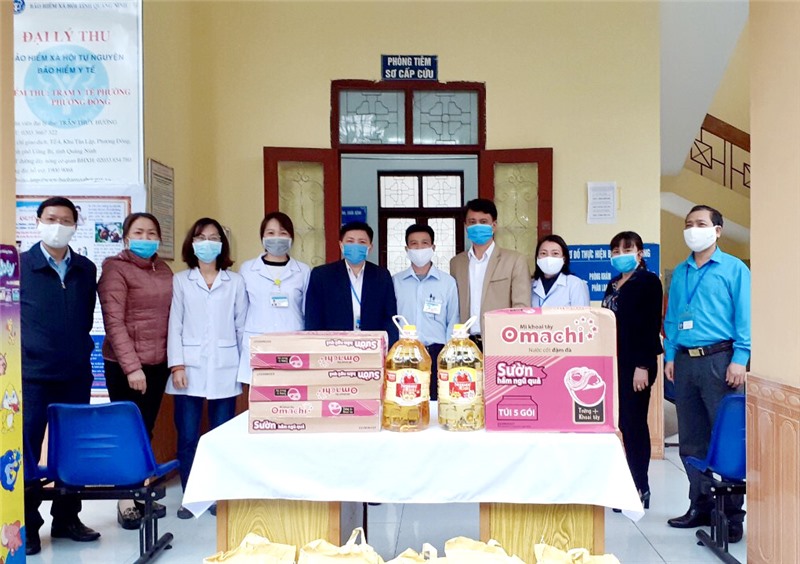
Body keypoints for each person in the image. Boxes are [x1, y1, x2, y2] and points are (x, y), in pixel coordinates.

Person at [664, 204, 750, 543]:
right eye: (688, 224)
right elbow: (673, 318)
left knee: (726, 439)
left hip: (721, 359)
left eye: (700, 223)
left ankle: (731, 516)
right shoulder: (681, 272)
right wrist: (670, 355)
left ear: (717, 230)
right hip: (686, 361)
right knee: (691, 439)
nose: (692, 229)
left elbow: (745, 315)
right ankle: (700, 505)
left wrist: (741, 358)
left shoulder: (734, 269)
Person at [21, 197, 101, 555]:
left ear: (75, 225)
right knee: (27, 450)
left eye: (66, 220)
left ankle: (67, 518)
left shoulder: (85, 268)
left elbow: (85, 317)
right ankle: (28, 525)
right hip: (31, 375)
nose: (58, 225)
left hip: (75, 374)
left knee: (72, 449)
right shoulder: (19, 266)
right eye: (51, 218)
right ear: (38, 221)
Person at [167, 218, 247, 519]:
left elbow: (241, 326)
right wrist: (177, 365)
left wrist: (244, 368)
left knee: (220, 437)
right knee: (188, 436)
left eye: (214, 237)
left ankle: (217, 495)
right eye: (201, 237)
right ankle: (192, 496)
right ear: (192, 243)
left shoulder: (235, 282)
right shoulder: (181, 280)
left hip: (226, 367)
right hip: (188, 368)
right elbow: (175, 324)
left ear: (222, 245)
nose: (207, 243)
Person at [97, 212, 173, 530]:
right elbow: (113, 323)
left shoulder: (163, 269)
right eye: (139, 232)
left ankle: (139, 490)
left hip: (157, 365)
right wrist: (132, 368)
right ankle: (125, 499)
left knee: (145, 430)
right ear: (126, 237)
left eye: (151, 233)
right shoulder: (114, 269)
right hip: (125, 367)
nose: (145, 238)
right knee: (126, 431)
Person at [601, 231, 663, 509]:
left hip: (637, 364)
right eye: (615, 250)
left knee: (635, 425)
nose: (620, 255)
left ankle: (640, 486)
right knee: (621, 425)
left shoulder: (648, 281)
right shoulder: (613, 283)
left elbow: (650, 325)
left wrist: (642, 365)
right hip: (612, 363)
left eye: (627, 249)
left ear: (639, 253)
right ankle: (624, 484)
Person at [237, 212, 310, 384]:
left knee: (290, 394)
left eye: (283, 233)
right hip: (257, 344)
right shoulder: (248, 269)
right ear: (262, 237)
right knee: (259, 397)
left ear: (291, 237)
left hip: (292, 345)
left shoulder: (303, 270)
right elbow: (241, 312)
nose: (277, 238)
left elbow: (307, 311)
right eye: (270, 233)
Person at [450, 198, 531, 350]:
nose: (477, 226)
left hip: (501, 342)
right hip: (465, 344)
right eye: (472, 222)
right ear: (466, 226)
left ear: (494, 226)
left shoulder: (514, 260)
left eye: (483, 221)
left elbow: (522, 307)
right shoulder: (456, 263)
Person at [392, 224, 459, 399]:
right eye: (414, 244)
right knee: (406, 401)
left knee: (437, 402)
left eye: (424, 243)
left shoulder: (447, 282)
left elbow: (453, 319)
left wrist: (448, 356)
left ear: (433, 247)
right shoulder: (395, 282)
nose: (419, 248)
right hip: (404, 353)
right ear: (407, 249)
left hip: (436, 352)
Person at [305, 221, 398, 343]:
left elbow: (390, 317)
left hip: (371, 346)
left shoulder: (382, 276)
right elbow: (313, 317)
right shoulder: (322, 275)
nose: (355, 245)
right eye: (350, 241)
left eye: (362, 242)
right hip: (333, 346)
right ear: (341, 245)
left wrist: (388, 347)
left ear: (370, 247)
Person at [531, 234, 590, 307]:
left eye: (555, 253)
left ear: (564, 259)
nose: (549, 258)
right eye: (543, 253)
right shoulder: (530, 285)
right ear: (537, 258)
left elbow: (582, 313)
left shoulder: (576, 284)